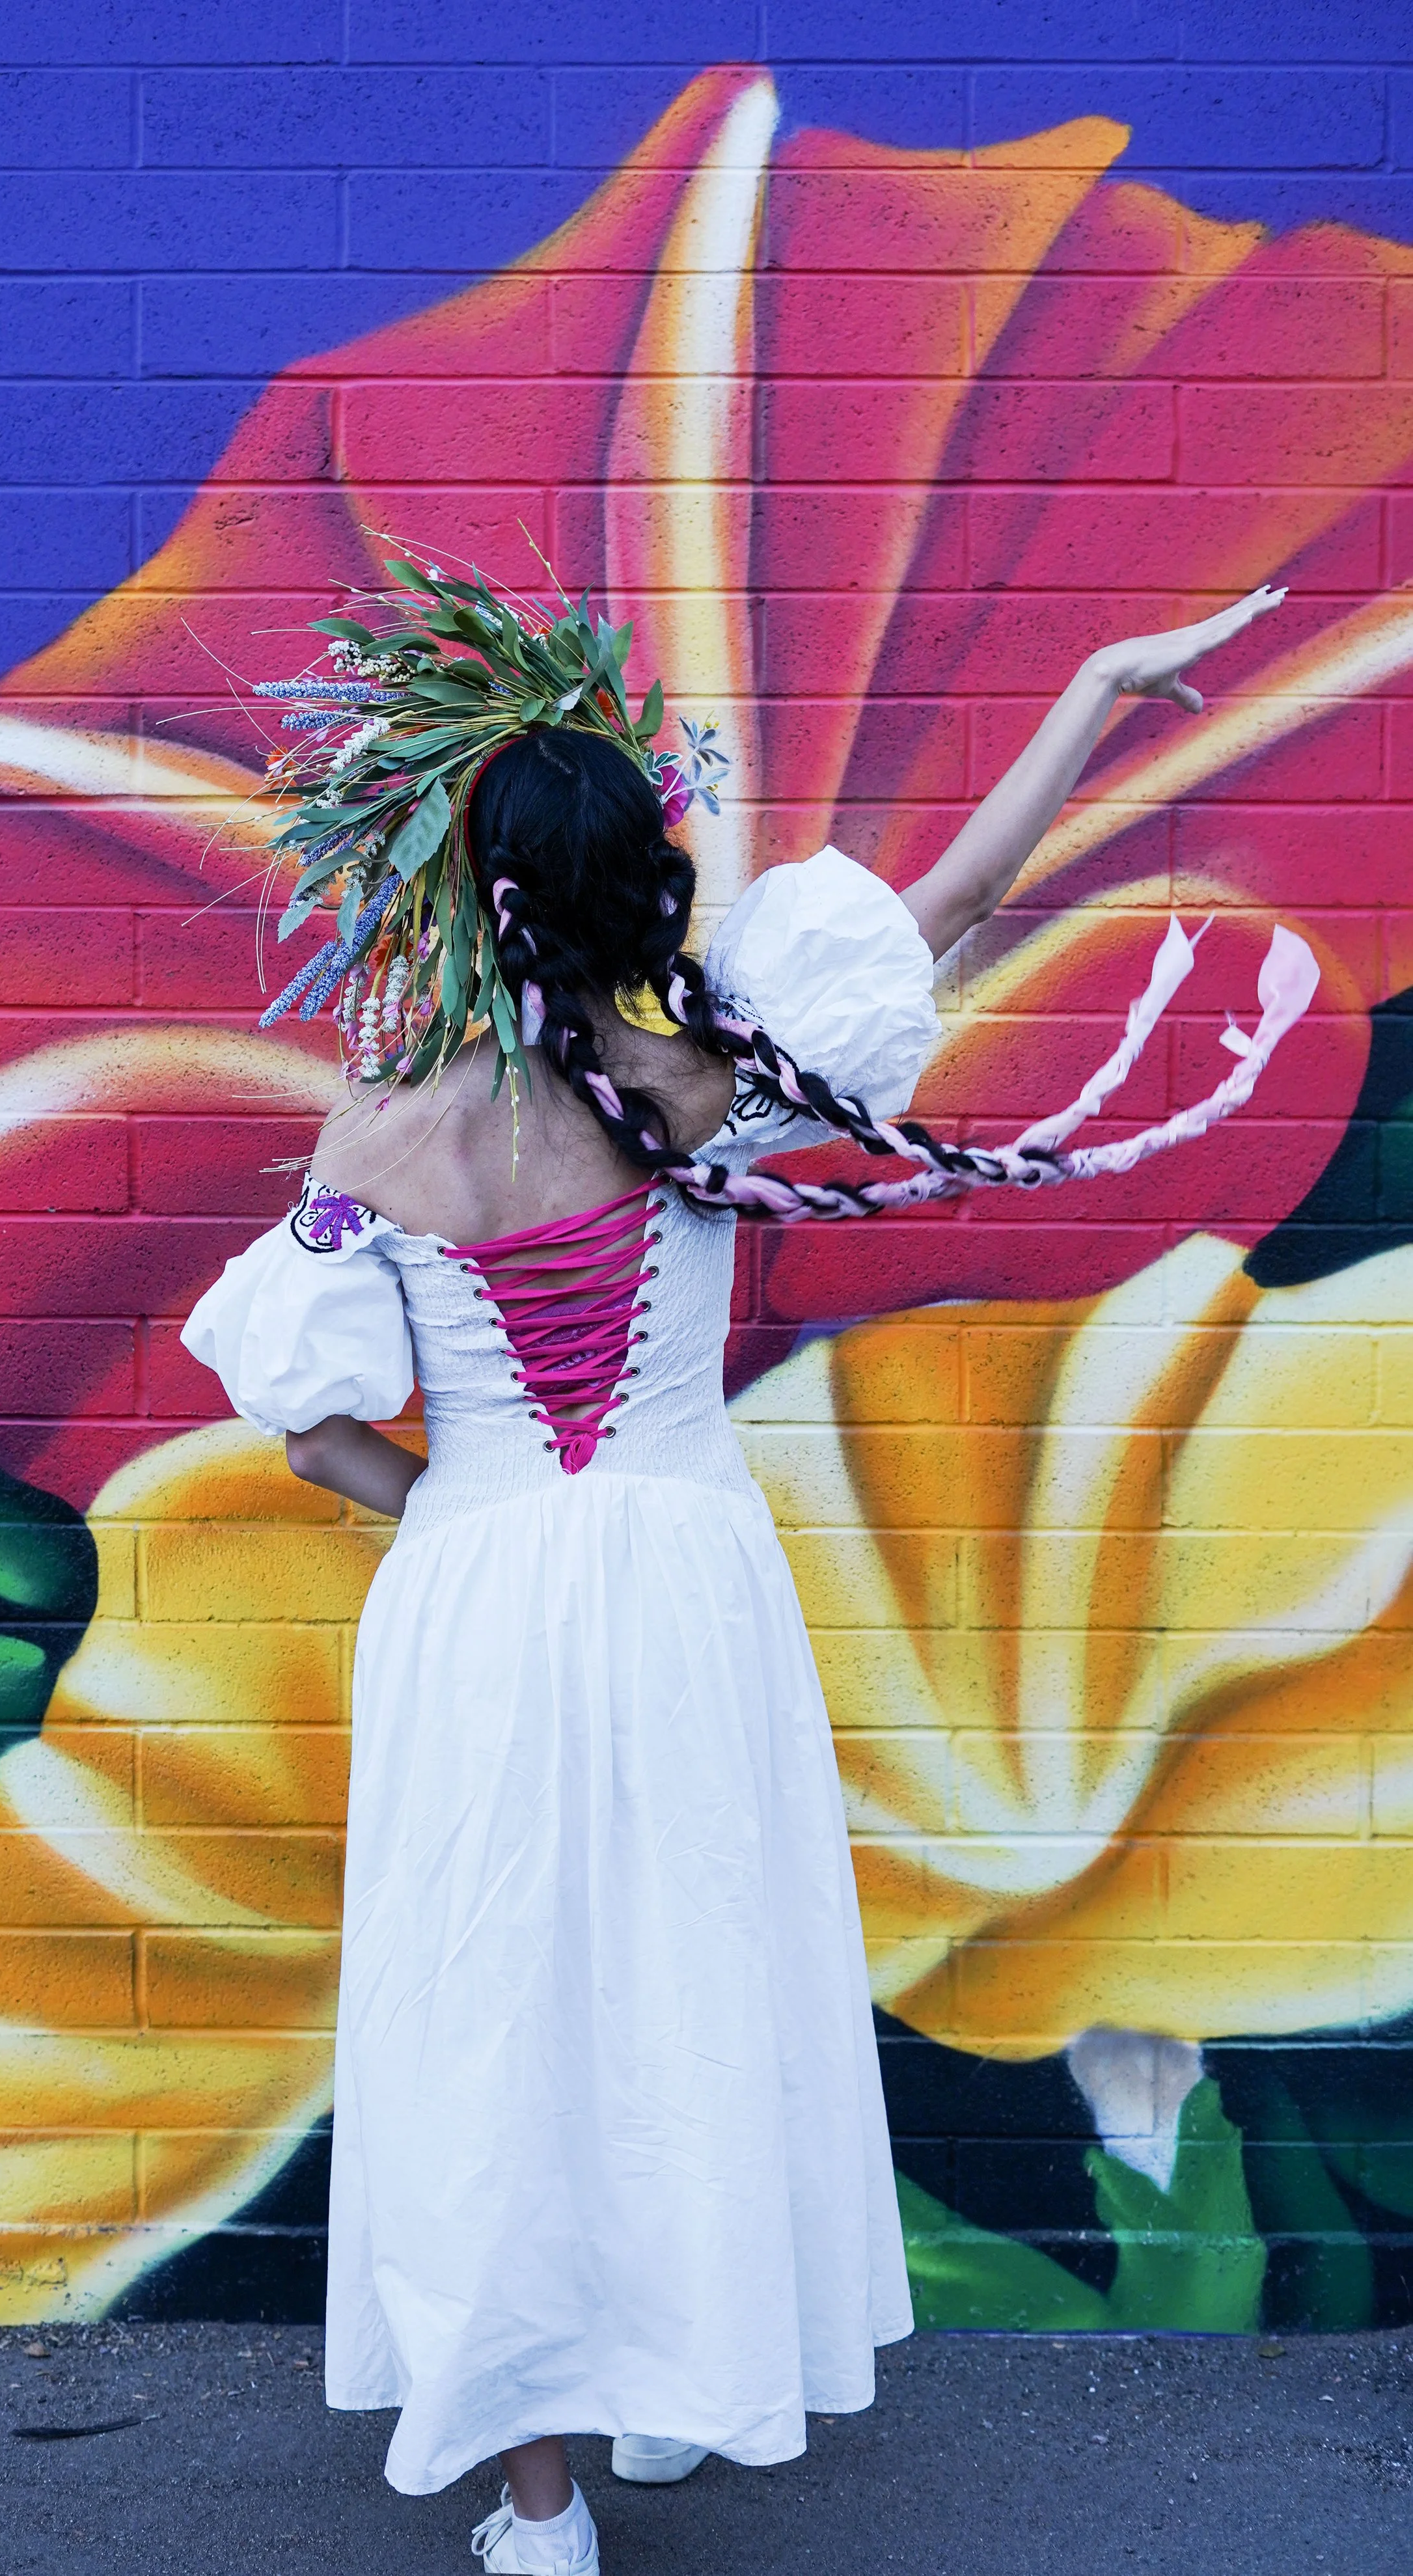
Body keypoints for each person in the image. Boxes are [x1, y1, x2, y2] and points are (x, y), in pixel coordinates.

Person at [183, 573, 1300, 2573]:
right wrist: (1087, 688)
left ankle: (540, 2499)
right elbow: (942, 902)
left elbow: (312, 1421)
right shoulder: (706, 1060)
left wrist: (457, 1503)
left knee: (504, 2000)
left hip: (489, 1591)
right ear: (642, 883)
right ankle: (685, 2368)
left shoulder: (380, 1127)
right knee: (689, 1978)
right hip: (688, 1577)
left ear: (474, 896)